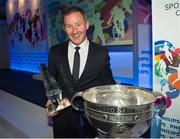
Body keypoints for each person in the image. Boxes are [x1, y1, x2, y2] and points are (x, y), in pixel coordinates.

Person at [45, 6, 116, 138]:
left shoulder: (101, 53)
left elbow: (108, 87)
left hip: (91, 123)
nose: (74, 31)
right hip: (63, 121)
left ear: (87, 24)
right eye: (69, 26)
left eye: (78, 25)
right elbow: (51, 83)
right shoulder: (55, 52)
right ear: (64, 28)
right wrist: (50, 100)